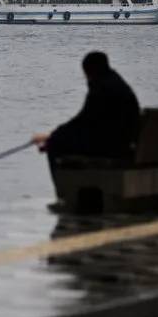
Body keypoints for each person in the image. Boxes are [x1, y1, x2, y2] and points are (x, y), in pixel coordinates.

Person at [32, 51, 140, 209]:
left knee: (54, 145)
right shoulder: (119, 84)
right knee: (58, 140)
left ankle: (65, 197)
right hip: (124, 142)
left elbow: (83, 121)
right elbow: (90, 124)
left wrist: (52, 136)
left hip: (113, 147)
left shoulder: (101, 88)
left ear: (89, 71)